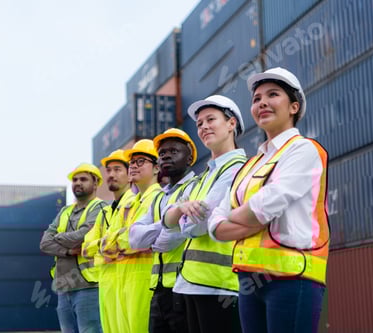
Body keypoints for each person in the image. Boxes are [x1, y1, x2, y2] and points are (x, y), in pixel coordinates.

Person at [209, 67, 330, 333]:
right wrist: (243, 217)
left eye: (272, 94)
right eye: (256, 99)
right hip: (249, 282)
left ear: (294, 107)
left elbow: (267, 205)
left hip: (293, 279)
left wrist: (235, 215)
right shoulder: (251, 164)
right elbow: (215, 225)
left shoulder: (305, 150)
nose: (262, 102)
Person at [163, 95, 247, 333]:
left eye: (211, 119)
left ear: (231, 124)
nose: (203, 127)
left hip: (219, 286)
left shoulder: (237, 170)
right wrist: (180, 210)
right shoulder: (204, 176)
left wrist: (181, 215)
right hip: (190, 283)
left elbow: (196, 226)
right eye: (199, 123)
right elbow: (167, 223)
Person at [129, 128, 198, 333]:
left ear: (190, 158)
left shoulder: (194, 188)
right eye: (162, 153)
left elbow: (169, 241)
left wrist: (153, 240)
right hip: (158, 290)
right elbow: (134, 239)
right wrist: (168, 221)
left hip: (183, 288)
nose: (166, 155)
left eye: (174, 151)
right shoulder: (160, 197)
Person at [100, 139, 162, 333]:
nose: (134, 166)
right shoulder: (130, 204)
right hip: (122, 281)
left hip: (144, 281)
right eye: (132, 162)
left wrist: (123, 239)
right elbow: (105, 243)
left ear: (156, 168)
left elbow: (136, 240)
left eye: (141, 161)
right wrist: (124, 239)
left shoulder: (158, 198)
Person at [40, 163, 108, 333]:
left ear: (95, 184)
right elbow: (44, 243)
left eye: (83, 179)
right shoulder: (65, 211)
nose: (77, 183)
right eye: (75, 179)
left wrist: (58, 237)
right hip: (63, 288)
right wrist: (68, 251)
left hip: (89, 287)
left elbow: (83, 236)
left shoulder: (100, 208)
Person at [81, 149, 134, 333]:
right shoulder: (105, 212)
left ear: (130, 174)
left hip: (129, 283)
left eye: (117, 169)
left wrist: (102, 246)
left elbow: (129, 241)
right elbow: (86, 249)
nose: (111, 175)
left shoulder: (134, 204)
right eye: (109, 170)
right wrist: (109, 244)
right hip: (106, 285)